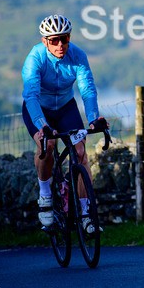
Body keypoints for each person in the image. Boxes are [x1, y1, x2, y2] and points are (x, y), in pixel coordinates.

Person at [21, 14, 107, 233]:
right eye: (54, 40)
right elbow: (30, 96)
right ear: (45, 41)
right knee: (46, 146)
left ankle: (86, 214)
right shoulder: (35, 58)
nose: (60, 44)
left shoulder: (78, 56)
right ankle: (45, 196)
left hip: (66, 107)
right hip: (39, 108)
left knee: (80, 152)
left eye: (64, 39)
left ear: (69, 37)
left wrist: (94, 118)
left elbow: (87, 90)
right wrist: (42, 125)